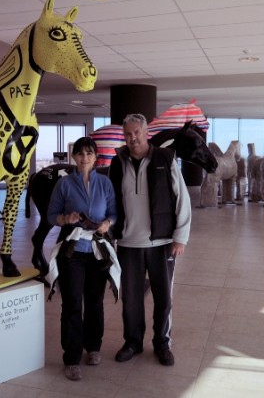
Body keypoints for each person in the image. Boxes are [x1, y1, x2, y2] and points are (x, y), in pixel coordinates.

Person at [108, 113, 191, 366]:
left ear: (146, 133)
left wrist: (181, 237)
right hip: (128, 244)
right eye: (128, 134)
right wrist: (110, 236)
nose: (132, 138)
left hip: (162, 243)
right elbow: (111, 202)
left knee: (163, 297)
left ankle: (162, 343)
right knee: (131, 298)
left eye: (136, 132)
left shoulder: (165, 159)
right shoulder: (117, 163)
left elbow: (182, 199)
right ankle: (132, 342)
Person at [46, 136, 119, 381]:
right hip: (73, 251)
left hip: (97, 251)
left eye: (89, 154)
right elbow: (51, 216)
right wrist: (66, 220)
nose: (85, 158)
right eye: (80, 154)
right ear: (74, 157)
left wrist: (107, 224)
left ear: (95, 157)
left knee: (96, 302)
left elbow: (113, 213)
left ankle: (94, 347)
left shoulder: (105, 183)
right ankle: (72, 358)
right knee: (72, 303)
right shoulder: (64, 185)